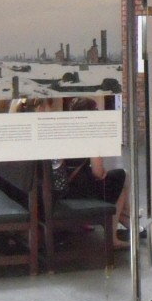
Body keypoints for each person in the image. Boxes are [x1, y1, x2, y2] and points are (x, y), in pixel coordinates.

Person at [52, 97, 131, 249]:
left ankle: (127, 218)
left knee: (120, 178)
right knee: (121, 177)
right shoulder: (91, 133)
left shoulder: (63, 130)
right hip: (78, 190)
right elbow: (98, 173)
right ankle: (114, 235)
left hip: (62, 187)